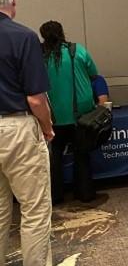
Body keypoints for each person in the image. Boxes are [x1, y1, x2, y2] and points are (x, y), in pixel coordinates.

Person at [0, 0, 77, 266]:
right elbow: (35, 98)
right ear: (11, 1)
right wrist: (47, 128)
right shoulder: (22, 37)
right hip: (16, 129)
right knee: (34, 210)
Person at [40, 20, 98, 204]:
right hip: (80, 114)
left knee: (55, 155)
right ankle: (85, 193)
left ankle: (56, 196)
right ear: (62, 33)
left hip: (52, 116)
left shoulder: (39, 56)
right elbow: (94, 74)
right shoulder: (77, 50)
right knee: (81, 153)